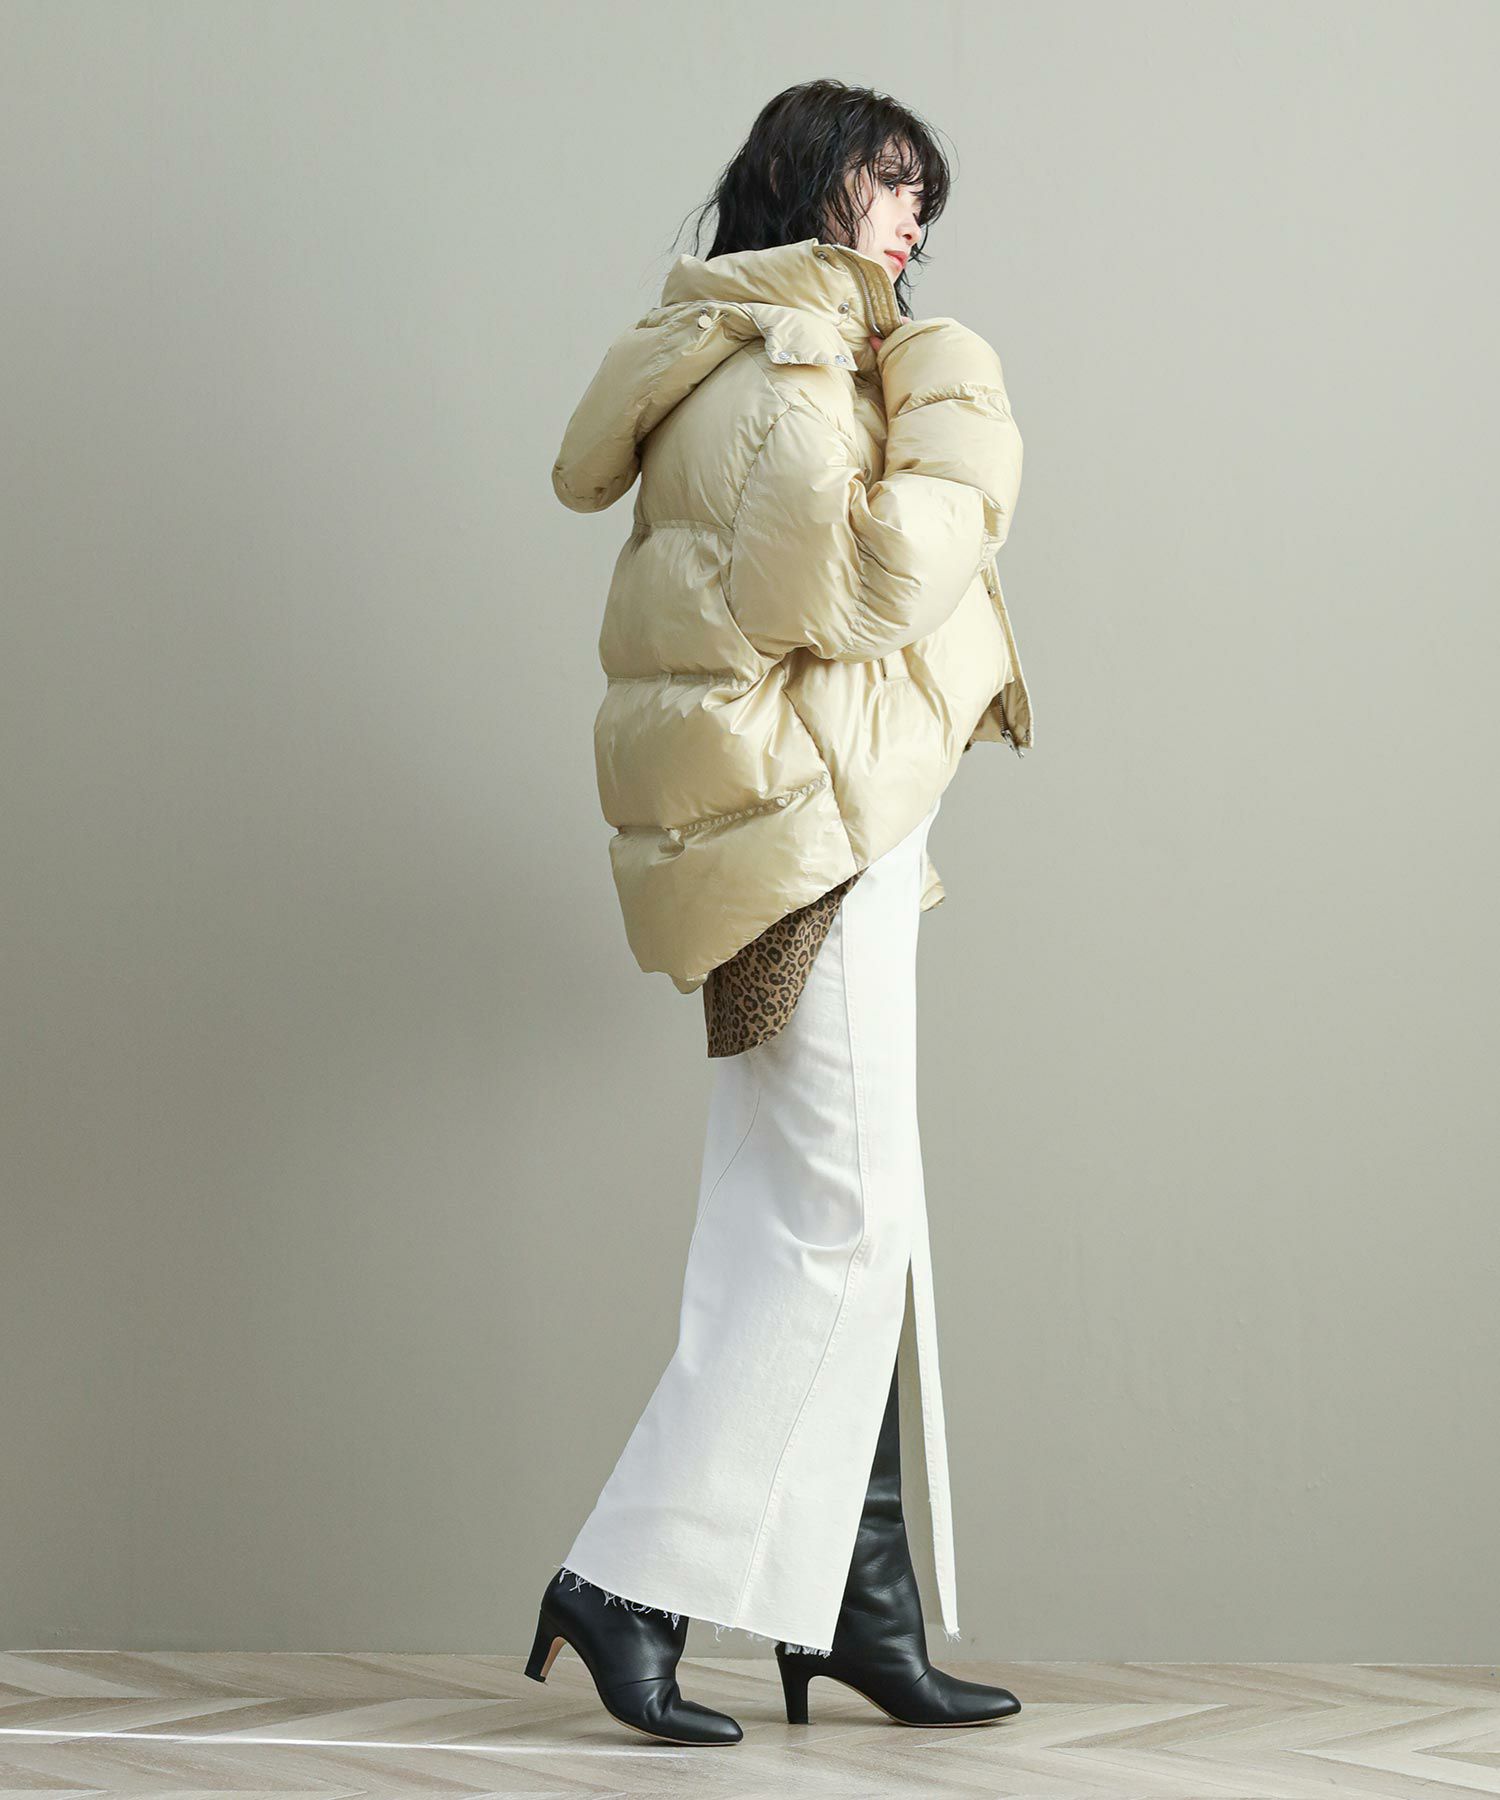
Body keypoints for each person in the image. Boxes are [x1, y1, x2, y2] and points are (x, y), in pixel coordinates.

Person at [532, 77, 1034, 1746]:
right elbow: (867, 585)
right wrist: (958, 396)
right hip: (805, 855)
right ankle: (625, 1585)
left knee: (825, 1228)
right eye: (893, 184)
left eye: (923, 196)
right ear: (817, 187)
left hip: (806, 841)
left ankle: (854, 1612)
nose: (915, 219)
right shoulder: (791, 375)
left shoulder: (755, 354)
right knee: (841, 1230)